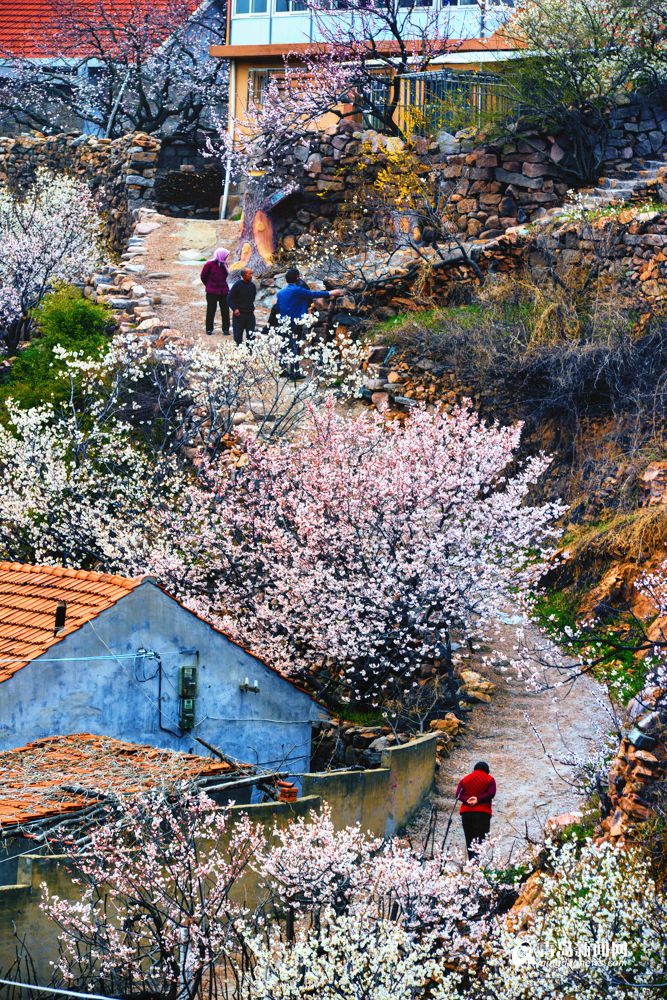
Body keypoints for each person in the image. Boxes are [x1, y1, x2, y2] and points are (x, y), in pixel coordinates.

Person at [275, 267, 343, 379]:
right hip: (295, 322)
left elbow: (278, 308)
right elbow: (313, 294)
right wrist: (331, 292)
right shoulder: (297, 290)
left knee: (284, 345)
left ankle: (282, 369)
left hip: (283, 322)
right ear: (297, 277)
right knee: (295, 346)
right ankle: (294, 373)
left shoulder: (280, 293)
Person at [455, 761, 496, 858]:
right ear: (487, 771)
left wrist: (467, 800)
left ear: (474, 769)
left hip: (466, 814)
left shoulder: (465, 779)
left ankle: (471, 865)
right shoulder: (490, 779)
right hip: (483, 814)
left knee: (470, 841)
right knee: (481, 841)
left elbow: (458, 795)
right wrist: (478, 799)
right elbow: (491, 793)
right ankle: (478, 866)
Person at [200, 247, 231, 337]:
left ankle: (226, 329)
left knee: (225, 310)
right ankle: (209, 329)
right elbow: (203, 276)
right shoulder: (209, 264)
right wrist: (209, 285)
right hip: (212, 292)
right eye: (225, 256)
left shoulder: (224, 265)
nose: (226, 257)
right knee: (211, 310)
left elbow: (225, 277)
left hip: (223, 291)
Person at [228, 268, 256, 347]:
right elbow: (229, 298)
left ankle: (250, 353)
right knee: (238, 336)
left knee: (251, 336)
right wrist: (235, 309)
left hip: (250, 314)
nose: (251, 276)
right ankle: (239, 353)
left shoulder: (252, 286)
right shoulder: (237, 285)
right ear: (243, 275)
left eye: (251, 274)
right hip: (239, 315)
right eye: (249, 274)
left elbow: (252, 298)